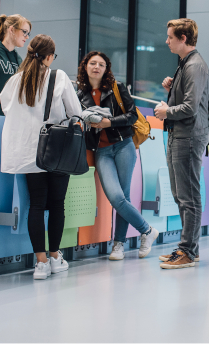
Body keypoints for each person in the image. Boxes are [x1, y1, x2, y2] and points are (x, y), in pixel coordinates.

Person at [0, 34, 82, 280]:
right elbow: (75, 112)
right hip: (56, 150)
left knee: (36, 205)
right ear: (48, 56)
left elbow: (6, 108)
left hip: (28, 152)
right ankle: (56, 257)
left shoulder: (15, 81)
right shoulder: (59, 77)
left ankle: (40, 263)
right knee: (57, 204)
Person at [76, 51, 159, 261]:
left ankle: (118, 245)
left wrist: (108, 122)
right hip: (101, 151)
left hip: (123, 145)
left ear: (106, 69)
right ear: (85, 67)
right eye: (92, 63)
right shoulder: (80, 95)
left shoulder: (117, 88)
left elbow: (132, 116)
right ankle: (147, 230)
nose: (96, 67)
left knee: (123, 196)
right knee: (117, 197)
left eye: (101, 64)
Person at [153, 19, 209, 269]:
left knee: (188, 196)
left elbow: (189, 107)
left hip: (188, 136)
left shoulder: (195, 65)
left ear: (183, 38)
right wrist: (172, 86)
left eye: (170, 37)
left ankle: (187, 250)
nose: (167, 41)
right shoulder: (185, 64)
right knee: (180, 194)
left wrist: (167, 110)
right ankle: (190, 248)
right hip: (180, 135)